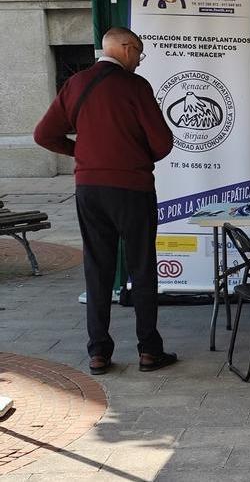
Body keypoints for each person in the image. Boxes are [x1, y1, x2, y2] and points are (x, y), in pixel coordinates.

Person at [33, 27, 177, 375]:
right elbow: (162, 143)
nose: (140, 60)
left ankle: (98, 353)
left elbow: (43, 134)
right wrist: (132, 156)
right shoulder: (134, 87)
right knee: (142, 267)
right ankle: (149, 350)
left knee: (97, 268)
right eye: (139, 52)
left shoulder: (77, 83)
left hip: (89, 189)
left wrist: (80, 152)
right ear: (125, 48)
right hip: (132, 188)